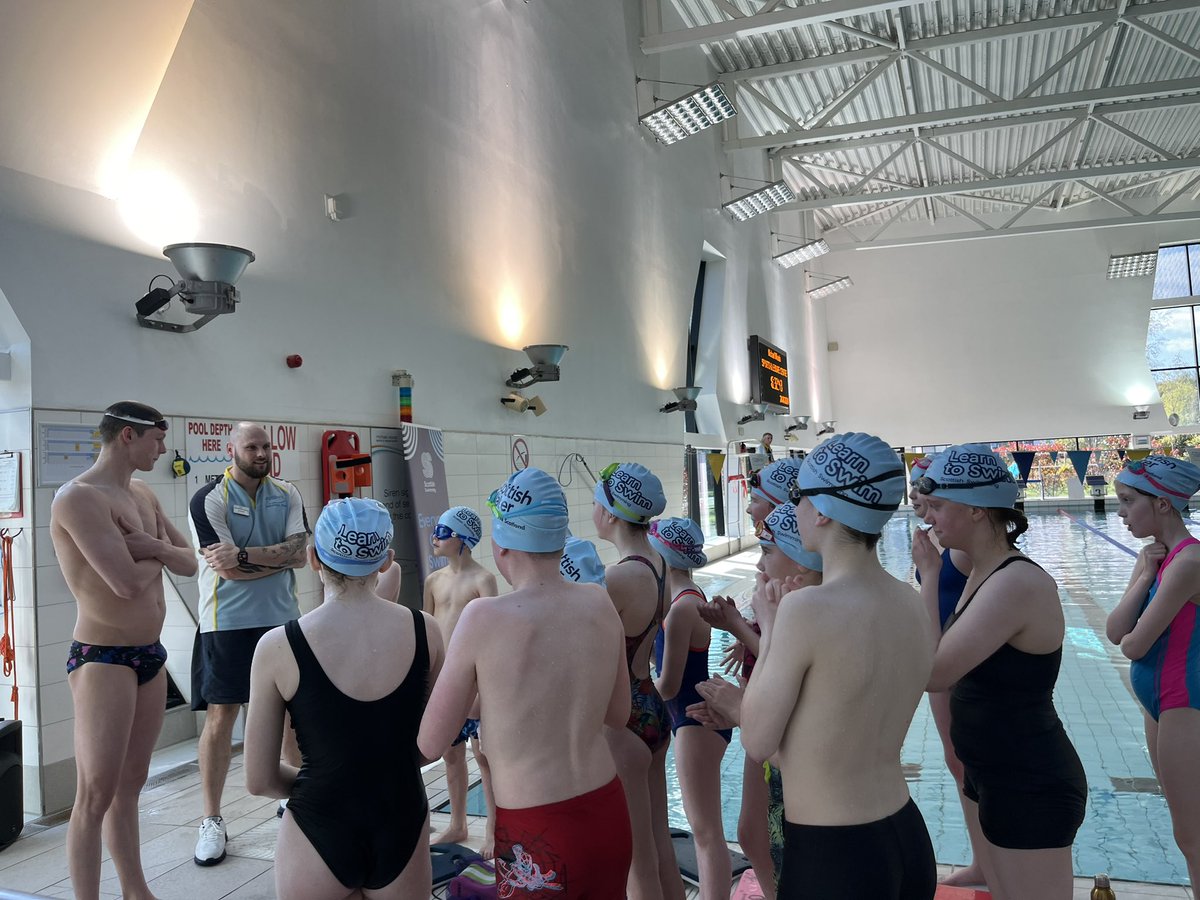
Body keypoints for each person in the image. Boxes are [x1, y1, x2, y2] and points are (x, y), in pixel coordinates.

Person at [419, 468, 633, 899]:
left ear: (500, 545)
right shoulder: (598, 601)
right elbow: (618, 713)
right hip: (608, 812)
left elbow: (431, 741)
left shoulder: (484, 618)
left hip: (539, 833)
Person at [741, 433, 936, 900]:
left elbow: (757, 738)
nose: (795, 511)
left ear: (823, 510)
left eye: (798, 497)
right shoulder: (910, 603)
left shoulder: (805, 610)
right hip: (906, 838)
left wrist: (768, 628)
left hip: (835, 853)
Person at [245, 498, 444, 900]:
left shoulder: (278, 647)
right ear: (386, 561)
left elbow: (260, 779)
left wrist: (330, 781)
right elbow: (430, 747)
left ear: (314, 557)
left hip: (319, 824)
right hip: (401, 819)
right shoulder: (427, 631)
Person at [915, 444, 1086, 900]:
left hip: (1030, 783)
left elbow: (933, 671)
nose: (927, 518)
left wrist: (929, 576)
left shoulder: (1014, 582)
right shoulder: (984, 572)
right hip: (996, 774)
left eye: (937, 506)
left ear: (974, 510)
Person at [51, 402, 198, 900]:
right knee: (93, 795)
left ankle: (137, 891)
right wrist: (156, 549)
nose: (163, 449)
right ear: (129, 437)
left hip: (148, 655)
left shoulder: (141, 493)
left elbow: (190, 562)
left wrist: (145, 544)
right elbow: (124, 584)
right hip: (103, 657)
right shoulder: (78, 499)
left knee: (131, 786)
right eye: (158, 440)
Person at [188, 421, 310, 866]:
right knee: (222, 717)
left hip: (282, 620)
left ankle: (295, 800)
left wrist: (243, 553)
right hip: (227, 623)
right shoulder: (209, 498)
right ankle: (211, 818)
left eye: (266, 446)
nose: (261, 453)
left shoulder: (288, 493)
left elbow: (301, 553)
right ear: (232, 449)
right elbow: (226, 571)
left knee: (294, 714)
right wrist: (274, 558)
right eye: (252, 446)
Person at [699, 456, 801, 899]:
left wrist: (743, 629)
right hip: (762, 705)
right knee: (751, 831)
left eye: (756, 500)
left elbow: (796, 663)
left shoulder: (797, 587)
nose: (748, 508)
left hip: (776, 719)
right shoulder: (785, 579)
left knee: (767, 834)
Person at [1108, 455, 1200, 886]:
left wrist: (1151, 573)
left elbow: (1134, 644)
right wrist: (1144, 573)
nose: (1121, 512)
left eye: (1128, 500)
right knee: (1188, 835)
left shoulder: (1188, 563)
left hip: (1186, 704)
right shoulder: (1155, 558)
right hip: (1159, 704)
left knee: (1194, 837)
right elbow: (1114, 630)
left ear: (1163, 503)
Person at [592, 462, 680, 900]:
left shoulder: (618, 578)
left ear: (609, 514)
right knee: (660, 842)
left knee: (636, 858)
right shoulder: (660, 563)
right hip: (653, 710)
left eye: (595, 501)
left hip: (623, 720)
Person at [909, 454, 987, 889]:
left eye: (927, 493)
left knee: (966, 761)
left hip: (952, 659)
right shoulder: (939, 541)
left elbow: (973, 603)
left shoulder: (957, 547)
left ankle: (989, 859)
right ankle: (983, 858)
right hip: (938, 653)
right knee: (958, 762)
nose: (918, 498)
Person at [649, 517, 728, 900]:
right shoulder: (682, 598)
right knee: (705, 830)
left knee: (706, 832)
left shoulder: (683, 607)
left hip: (695, 719)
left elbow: (667, 684)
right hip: (691, 716)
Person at [423, 505, 498, 852]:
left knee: (483, 757)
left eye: (442, 531)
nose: (434, 537)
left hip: (475, 682)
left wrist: (484, 691)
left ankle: (494, 833)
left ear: (461, 539)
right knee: (451, 756)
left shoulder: (484, 580)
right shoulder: (433, 581)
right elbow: (426, 630)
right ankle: (457, 825)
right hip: (443, 679)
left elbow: (492, 641)